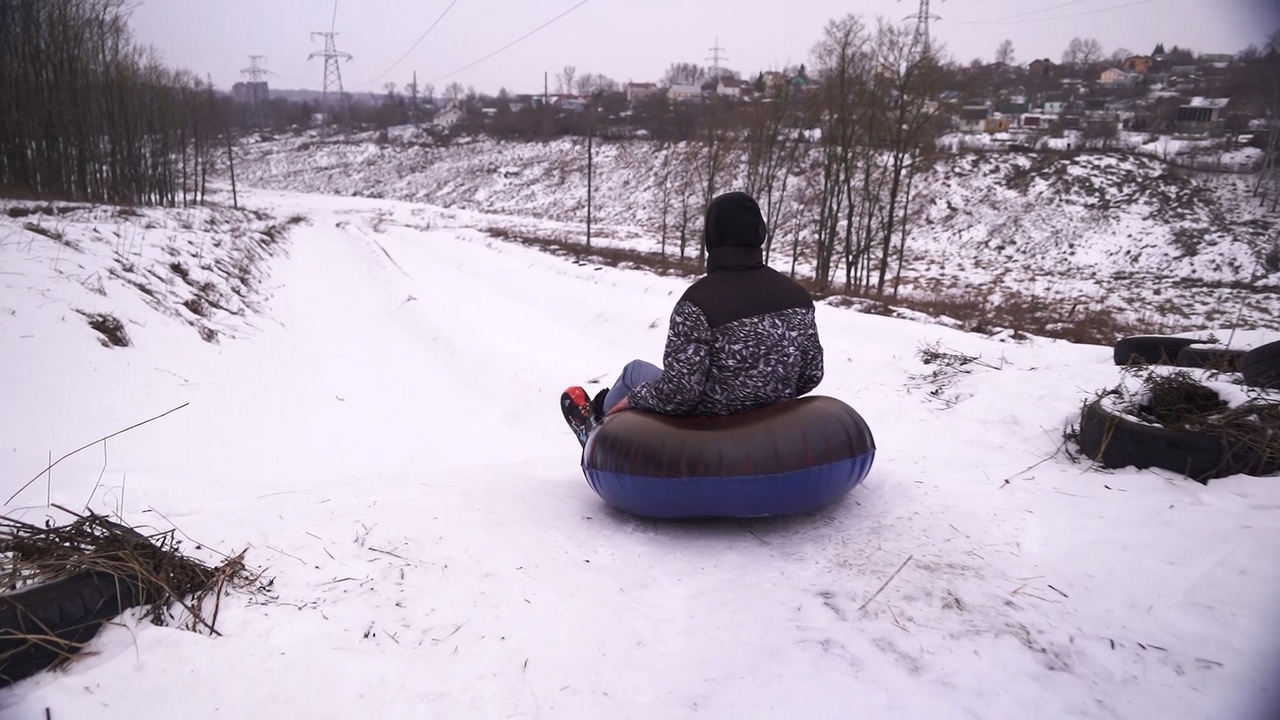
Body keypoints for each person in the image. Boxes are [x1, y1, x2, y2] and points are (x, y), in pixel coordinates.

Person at [561, 191, 824, 447]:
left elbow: (681, 393)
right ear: (760, 233)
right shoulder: (797, 297)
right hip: (771, 420)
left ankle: (592, 429)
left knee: (634, 371)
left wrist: (637, 398)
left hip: (708, 426)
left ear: (713, 236)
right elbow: (811, 374)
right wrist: (765, 392)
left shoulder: (698, 302)